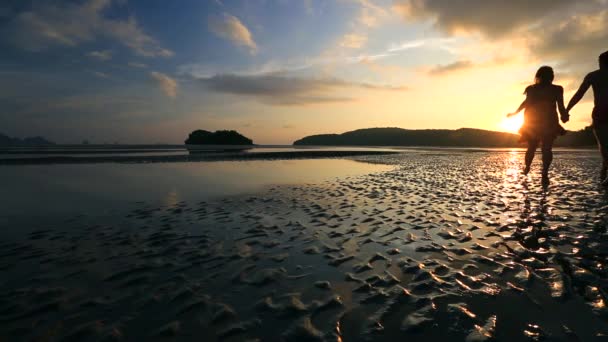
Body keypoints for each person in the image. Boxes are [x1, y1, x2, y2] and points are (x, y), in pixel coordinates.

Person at [507, 66, 569, 182]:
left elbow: (526, 103)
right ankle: (544, 173)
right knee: (546, 149)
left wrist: (515, 113)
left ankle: (528, 167)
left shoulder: (532, 89)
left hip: (534, 122)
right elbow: (561, 106)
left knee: (532, 148)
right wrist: (564, 116)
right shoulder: (556, 89)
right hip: (546, 122)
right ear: (551, 76)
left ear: (538, 76)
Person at [566, 51, 608, 185]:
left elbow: (579, 94)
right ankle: (605, 166)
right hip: (601, 113)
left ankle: (606, 168)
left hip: (600, 112)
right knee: (604, 144)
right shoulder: (593, 75)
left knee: (604, 144)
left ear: (601, 62)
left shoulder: (593, 75)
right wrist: (567, 109)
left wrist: (567, 110)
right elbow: (579, 94)